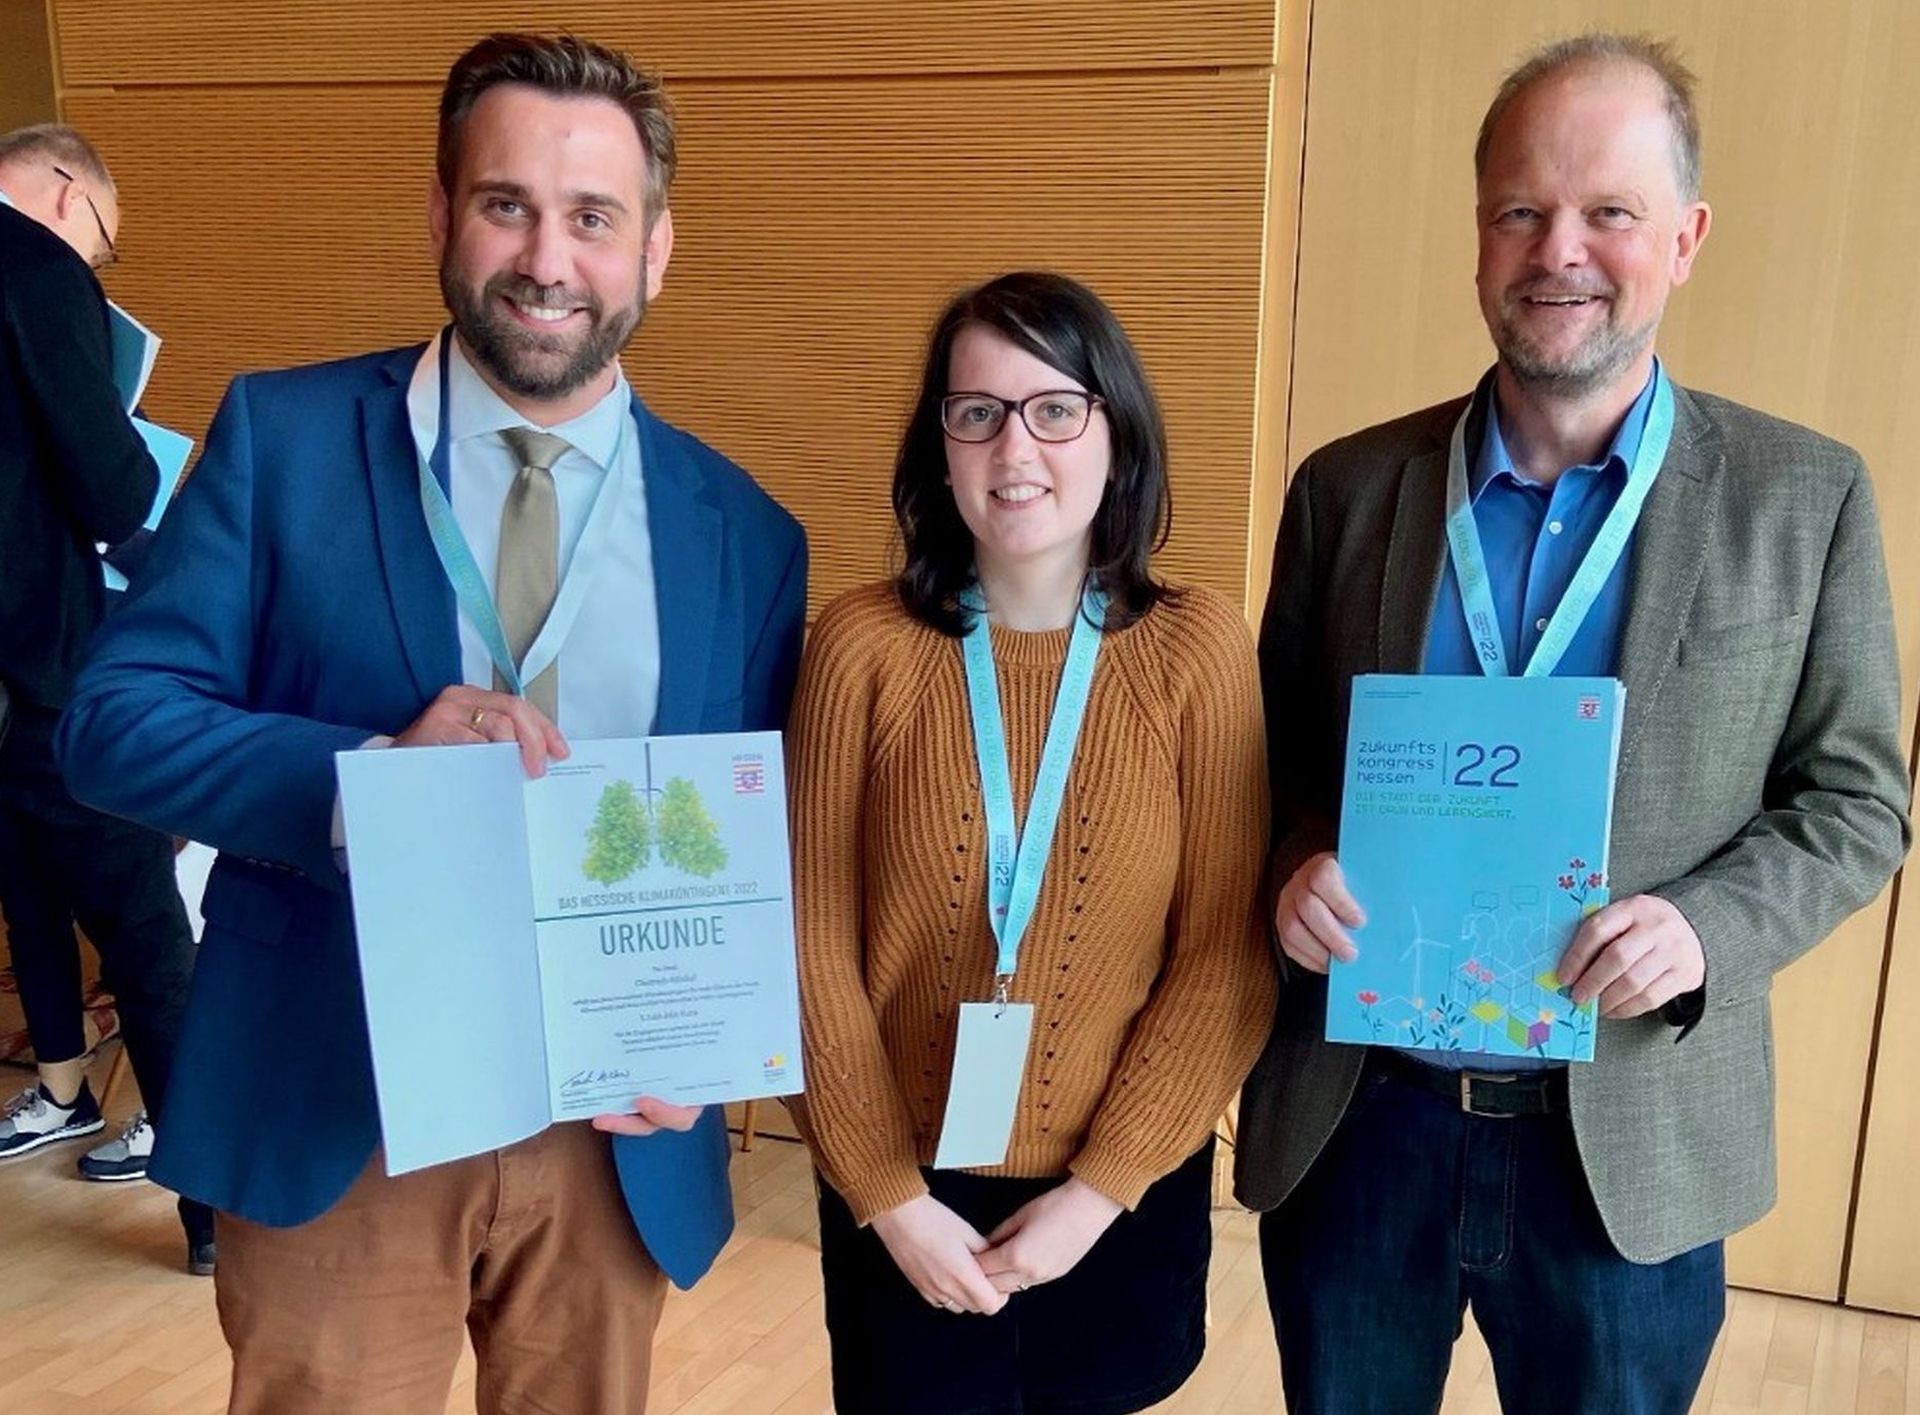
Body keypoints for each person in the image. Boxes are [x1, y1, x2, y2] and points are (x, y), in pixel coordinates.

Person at [57, 33, 805, 1414]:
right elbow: (112, 720)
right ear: (442, 214)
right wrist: (364, 782)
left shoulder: (745, 534)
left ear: (654, 250)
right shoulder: (283, 440)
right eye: (507, 204)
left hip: (609, 1133)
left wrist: (708, 1047)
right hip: (342, 1104)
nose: (547, 259)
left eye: (593, 217)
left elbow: (749, 843)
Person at [1235, 33, 1911, 1415]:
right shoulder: (1346, 489)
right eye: (1519, 210)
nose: (1560, 251)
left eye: (1610, 210)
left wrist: (1705, 929)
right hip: (1366, 1122)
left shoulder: (1805, 497)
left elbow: (1856, 802)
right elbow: (1265, 767)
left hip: (1631, 1143)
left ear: (1686, 237)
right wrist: (1292, 865)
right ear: (1479, 237)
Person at [787, 271, 1275, 1415]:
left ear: (1117, 433)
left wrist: (1101, 1188)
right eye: (978, 411)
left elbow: (1225, 951)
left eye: (1056, 408)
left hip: (1118, 1188)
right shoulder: (859, 645)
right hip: (904, 1194)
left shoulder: (1197, 648)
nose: (1016, 446)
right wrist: (884, 1192)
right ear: (940, 445)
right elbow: (803, 941)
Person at [0, 122, 211, 1270]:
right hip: (36, 675)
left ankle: (68, 1094)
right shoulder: (36, 267)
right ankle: (212, 1211)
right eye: (104, 243)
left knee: (32, 896)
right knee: (144, 930)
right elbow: (111, 483)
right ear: (64, 191)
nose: (96, 262)